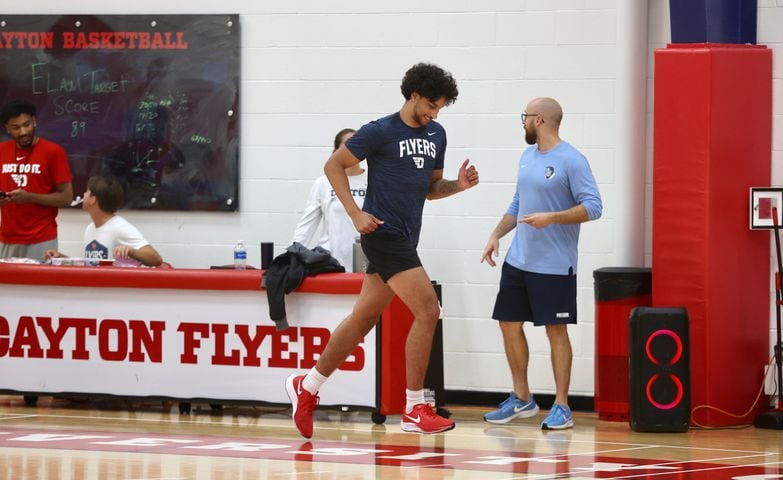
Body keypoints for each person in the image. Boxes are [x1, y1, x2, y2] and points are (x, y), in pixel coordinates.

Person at [285, 63, 479, 438]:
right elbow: (333, 165)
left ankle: (306, 387)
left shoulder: (437, 134)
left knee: (362, 318)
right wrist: (356, 214)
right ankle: (414, 406)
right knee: (428, 309)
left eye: (439, 109)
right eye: (431, 106)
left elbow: (431, 189)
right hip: (382, 233)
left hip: (406, 237)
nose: (434, 114)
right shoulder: (380, 131)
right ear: (414, 95)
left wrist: (460, 185)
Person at [481, 97, 602, 430]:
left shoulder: (572, 160)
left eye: (525, 117)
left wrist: (555, 218)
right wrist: (496, 234)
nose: (522, 122)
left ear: (538, 120)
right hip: (519, 260)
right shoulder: (527, 156)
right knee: (508, 324)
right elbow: (518, 203)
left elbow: (593, 207)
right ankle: (522, 397)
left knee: (555, 331)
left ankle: (561, 406)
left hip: (554, 265)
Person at [0, 99, 73, 261]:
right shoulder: (1, 151)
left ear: (34, 121)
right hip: (6, 238)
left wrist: (29, 197)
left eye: (27, 124)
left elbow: (66, 198)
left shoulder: (53, 152)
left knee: (40, 285)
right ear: (7, 129)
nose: (23, 131)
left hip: (42, 239)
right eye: (16, 128)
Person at [292, 128, 367, 271]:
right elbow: (307, 223)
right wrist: (293, 254)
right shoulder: (323, 183)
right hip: (331, 262)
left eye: (358, 145)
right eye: (348, 145)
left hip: (365, 260)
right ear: (335, 152)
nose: (353, 150)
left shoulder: (374, 181)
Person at [46, 175, 163, 267]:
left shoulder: (120, 227)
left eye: (87, 192)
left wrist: (131, 252)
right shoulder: (90, 228)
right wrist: (61, 259)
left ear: (93, 200)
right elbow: (90, 264)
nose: (83, 195)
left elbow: (156, 259)